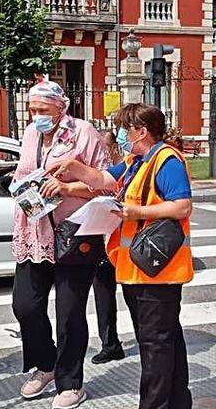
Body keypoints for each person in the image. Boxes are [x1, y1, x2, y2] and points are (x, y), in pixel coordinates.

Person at [45, 103, 194, 409]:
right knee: (165, 341)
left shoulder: (166, 161)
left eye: (125, 129)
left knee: (155, 346)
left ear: (142, 131)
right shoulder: (136, 160)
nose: (122, 135)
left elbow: (181, 206)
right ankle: (179, 401)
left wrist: (136, 211)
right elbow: (103, 180)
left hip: (159, 269)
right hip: (136, 267)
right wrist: (71, 172)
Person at [9, 81, 108, 409]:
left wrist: (66, 188)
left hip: (74, 233)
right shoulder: (30, 135)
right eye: (33, 110)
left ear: (60, 108)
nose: (37, 116)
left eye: (43, 111)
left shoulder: (83, 133)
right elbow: (22, 172)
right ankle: (46, 364)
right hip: (34, 232)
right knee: (25, 306)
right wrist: (22, 187)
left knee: (69, 314)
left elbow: (106, 184)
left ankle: (70, 382)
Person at [90, 130, 124, 365]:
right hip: (100, 243)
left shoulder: (123, 169)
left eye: (104, 147)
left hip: (124, 244)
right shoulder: (96, 172)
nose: (100, 151)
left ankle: (146, 338)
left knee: (135, 297)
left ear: (113, 148)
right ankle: (110, 344)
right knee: (103, 294)